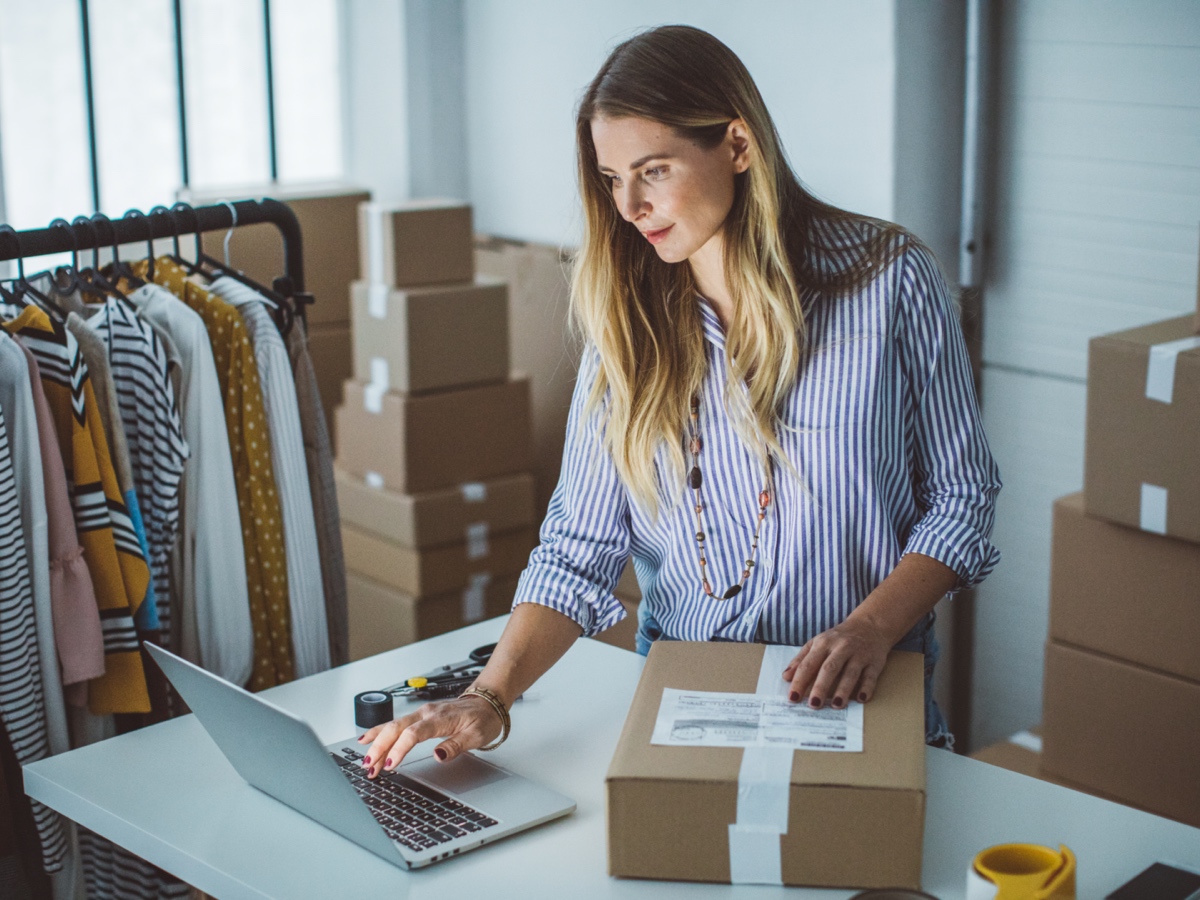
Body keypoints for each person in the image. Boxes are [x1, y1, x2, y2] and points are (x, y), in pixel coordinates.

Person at [360, 24, 1000, 777]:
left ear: (736, 145)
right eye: (610, 179)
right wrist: (489, 698)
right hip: (688, 698)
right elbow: (578, 550)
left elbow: (963, 498)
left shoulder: (891, 281)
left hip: (864, 691)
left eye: (652, 170)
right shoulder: (626, 324)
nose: (629, 205)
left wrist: (869, 628)